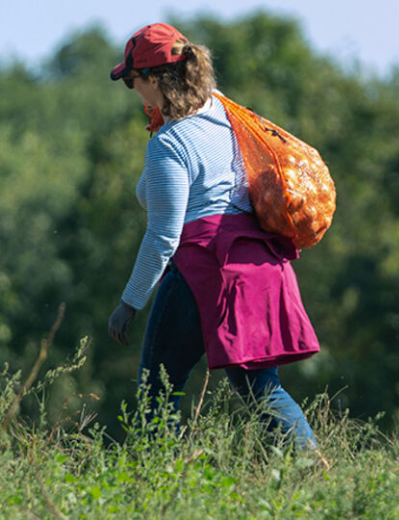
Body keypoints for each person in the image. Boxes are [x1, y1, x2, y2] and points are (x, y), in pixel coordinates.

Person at [106, 23, 321, 451]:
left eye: (133, 80)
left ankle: (159, 484)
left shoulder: (171, 142)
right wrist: (162, 123)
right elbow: (152, 192)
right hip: (260, 265)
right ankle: (310, 467)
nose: (132, 90)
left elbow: (165, 234)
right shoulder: (225, 115)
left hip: (205, 267)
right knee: (261, 388)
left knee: (157, 392)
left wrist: (129, 303)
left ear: (154, 80)